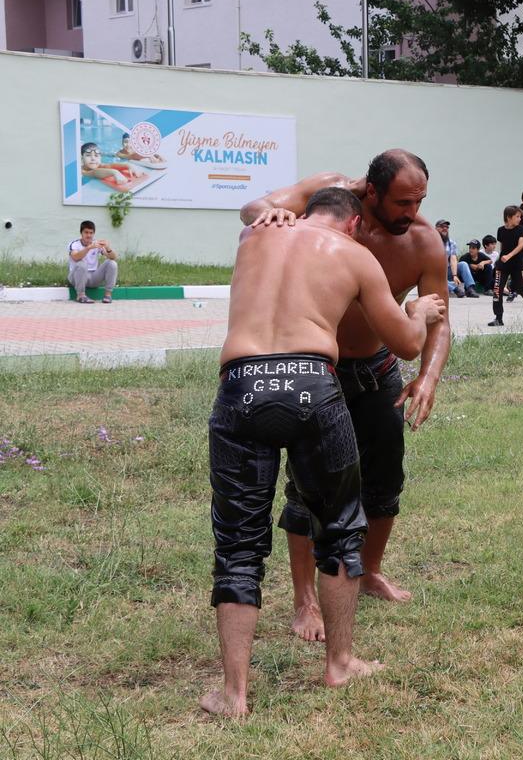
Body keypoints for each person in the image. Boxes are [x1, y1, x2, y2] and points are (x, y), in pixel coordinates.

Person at [203, 187, 446, 716]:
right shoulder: (356, 254)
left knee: (238, 543)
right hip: (313, 382)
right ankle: (339, 664)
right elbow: (406, 343)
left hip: (242, 382)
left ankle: (234, 694)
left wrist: (274, 207)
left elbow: (254, 206)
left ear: (299, 212)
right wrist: (418, 310)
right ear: (355, 223)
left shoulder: (255, 234)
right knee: (339, 524)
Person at [240, 149, 452, 642]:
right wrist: (273, 212)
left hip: (378, 367)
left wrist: (429, 376)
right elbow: (253, 209)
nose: (412, 212)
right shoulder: (329, 196)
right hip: (320, 368)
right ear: (372, 193)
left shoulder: (422, 241)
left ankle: (371, 571)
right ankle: (305, 600)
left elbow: (440, 316)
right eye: (402, 201)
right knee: (308, 486)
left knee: (384, 477)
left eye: (420, 200)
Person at [68, 220, 118, 304]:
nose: (89, 235)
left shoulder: (96, 244)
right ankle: (80, 296)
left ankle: (108, 295)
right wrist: (88, 248)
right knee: (81, 264)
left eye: (91, 233)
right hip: (76, 278)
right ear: (81, 233)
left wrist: (108, 248)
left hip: (93, 277)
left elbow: (113, 257)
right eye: (86, 232)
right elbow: (76, 257)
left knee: (112, 263)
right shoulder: (74, 244)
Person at [436, 219, 479, 298]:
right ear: (436, 229)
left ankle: (470, 289)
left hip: (447, 270)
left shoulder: (451, 243)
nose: (445, 228)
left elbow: (453, 259)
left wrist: (454, 275)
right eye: (442, 227)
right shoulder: (431, 242)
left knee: (463, 264)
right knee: (434, 275)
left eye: (447, 227)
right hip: (435, 273)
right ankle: (456, 289)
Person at [80, 142, 145, 189]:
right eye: (88, 155)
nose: (93, 158)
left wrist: (128, 166)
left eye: (96, 156)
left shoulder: (99, 165)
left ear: (100, 158)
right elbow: (94, 173)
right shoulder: (81, 170)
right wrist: (114, 172)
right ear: (82, 158)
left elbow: (110, 165)